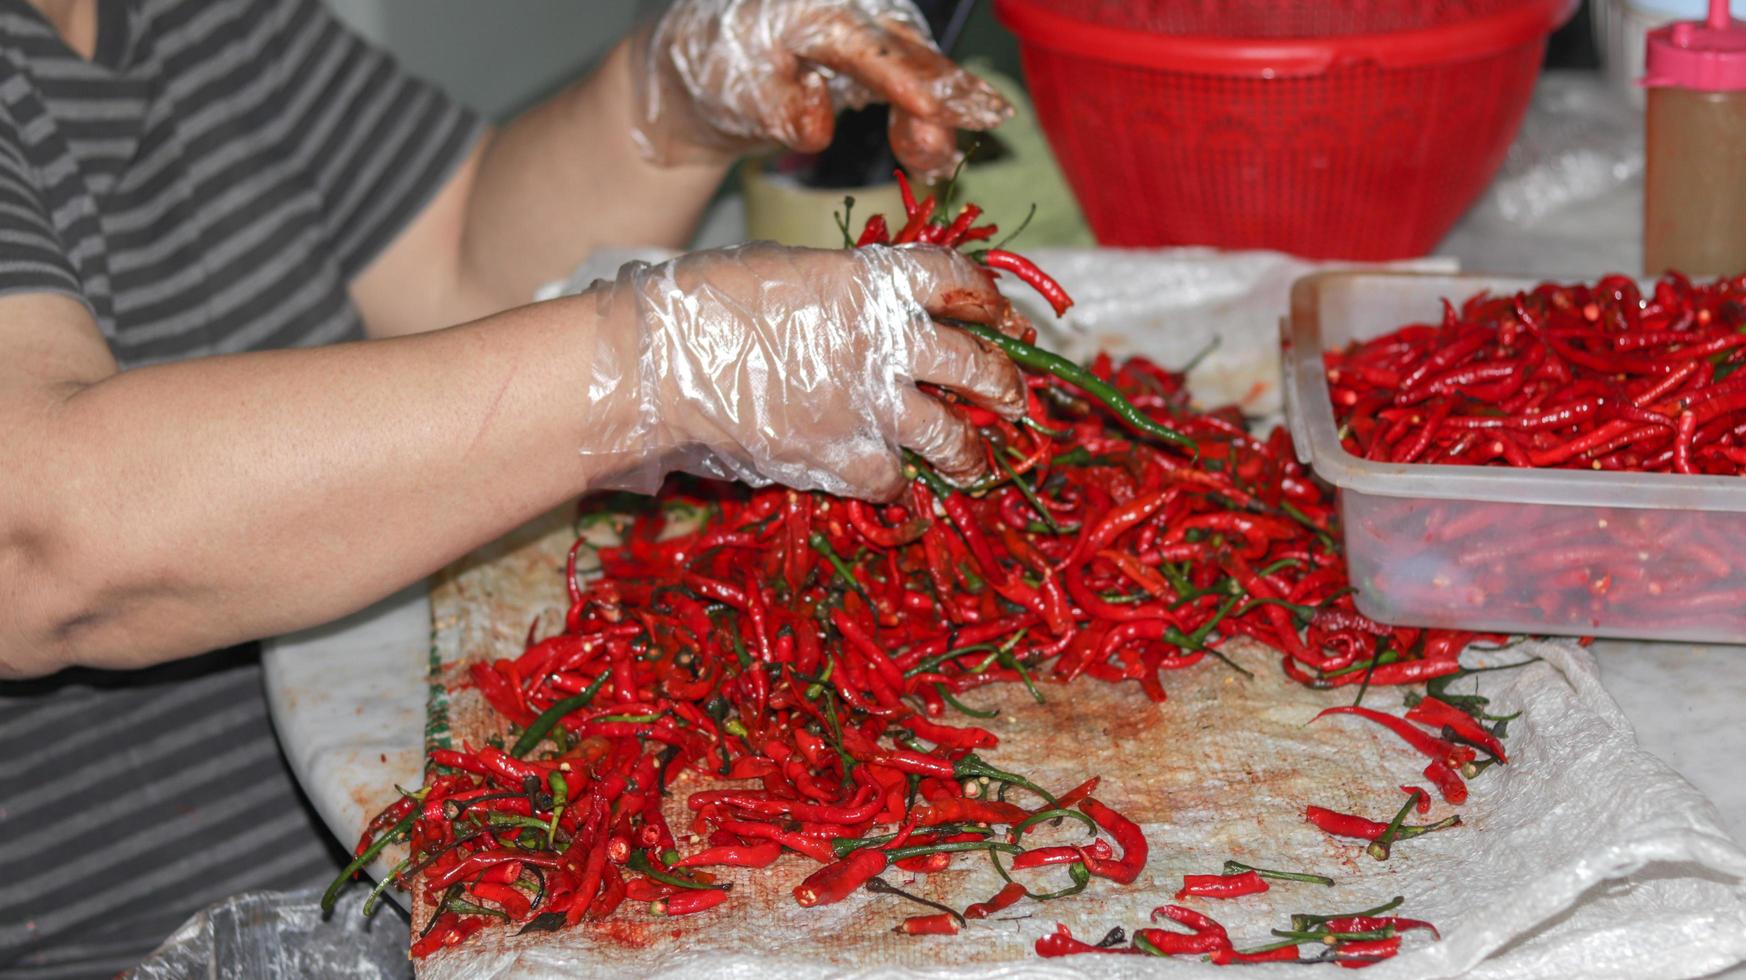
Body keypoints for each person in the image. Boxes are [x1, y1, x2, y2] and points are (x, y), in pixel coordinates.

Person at [0, 0, 1024, 973]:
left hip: (399, 849)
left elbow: (453, 266)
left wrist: (662, 107)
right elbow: (45, 534)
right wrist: (652, 366)